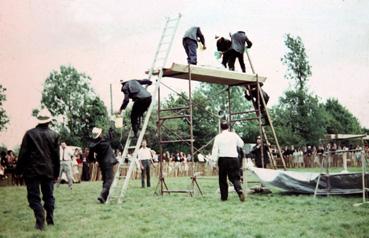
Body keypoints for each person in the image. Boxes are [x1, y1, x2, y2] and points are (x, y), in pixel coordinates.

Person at [16, 108, 60, 230]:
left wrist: (18, 171)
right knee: (49, 196)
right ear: (49, 121)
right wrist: (56, 173)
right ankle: (50, 219)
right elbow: (56, 157)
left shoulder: (29, 134)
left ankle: (40, 220)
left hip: (32, 171)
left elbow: (23, 154)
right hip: (49, 170)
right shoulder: (54, 135)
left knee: (34, 197)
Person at [211, 121, 245, 202]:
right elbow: (241, 144)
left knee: (222, 179)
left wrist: (213, 161)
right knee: (235, 177)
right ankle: (239, 190)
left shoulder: (218, 137)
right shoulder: (233, 135)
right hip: (234, 158)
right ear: (228, 127)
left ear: (221, 128)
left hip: (223, 159)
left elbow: (215, 150)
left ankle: (224, 197)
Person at [88, 127, 118, 204]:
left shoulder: (93, 145)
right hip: (108, 163)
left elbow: (90, 157)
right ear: (100, 134)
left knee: (105, 180)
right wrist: (111, 130)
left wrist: (94, 160)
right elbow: (111, 138)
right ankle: (102, 194)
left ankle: (104, 197)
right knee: (109, 180)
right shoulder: (104, 142)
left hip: (102, 164)